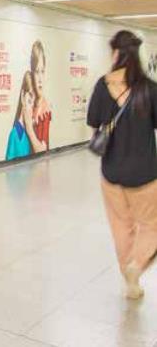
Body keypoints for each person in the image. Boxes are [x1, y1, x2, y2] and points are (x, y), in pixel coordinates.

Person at [87, 30, 157, 299]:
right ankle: (136, 266)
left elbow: (94, 125)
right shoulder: (149, 89)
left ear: (116, 53)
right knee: (151, 225)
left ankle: (130, 280)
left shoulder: (102, 86)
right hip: (145, 174)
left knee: (120, 227)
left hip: (112, 172)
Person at [5, 72, 43, 160]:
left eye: (34, 104)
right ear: (22, 97)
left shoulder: (31, 133)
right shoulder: (14, 135)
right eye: (29, 101)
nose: (31, 108)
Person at [30, 41, 52, 152]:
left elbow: (42, 149)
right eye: (36, 72)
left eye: (42, 71)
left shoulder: (45, 110)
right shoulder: (31, 104)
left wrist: (29, 127)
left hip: (41, 161)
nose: (39, 79)